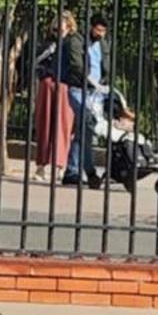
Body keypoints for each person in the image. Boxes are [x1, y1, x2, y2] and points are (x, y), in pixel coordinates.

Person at [59, 12, 102, 190]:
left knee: (84, 129)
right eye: (99, 30)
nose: (101, 34)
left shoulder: (99, 44)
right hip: (78, 88)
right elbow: (77, 65)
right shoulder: (76, 40)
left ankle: (74, 170)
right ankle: (83, 170)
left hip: (93, 91)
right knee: (87, 122)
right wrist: (89, 80)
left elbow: (101, 64)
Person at [33, 12, 74, 178]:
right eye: (55, 30)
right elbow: (37, 63)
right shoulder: (47, 45)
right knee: (45, 125)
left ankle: (61, 165)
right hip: (48, 86)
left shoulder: (72, 45)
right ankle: (41, 165)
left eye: (61, 30)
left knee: (63, 126)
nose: (57, 33)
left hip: (65, 87)